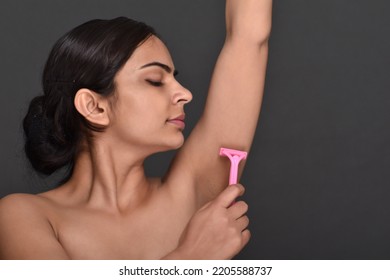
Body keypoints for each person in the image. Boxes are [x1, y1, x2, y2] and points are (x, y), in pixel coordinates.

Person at [0, 0, 272, 259]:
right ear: (95, 107)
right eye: (155, 80)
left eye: (173, 79)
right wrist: (192, 258)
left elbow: (249, 37)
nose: (185, 94)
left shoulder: (192, 191)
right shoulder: (25, 217)